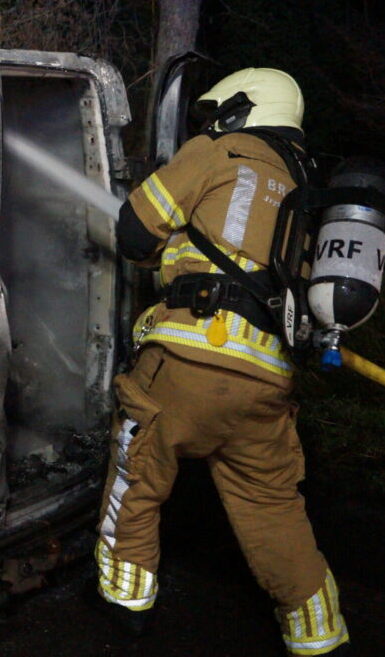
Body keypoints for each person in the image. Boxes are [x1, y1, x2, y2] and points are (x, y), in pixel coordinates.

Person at [93, 67, 351, 655]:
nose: (212, 121)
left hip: (188, 362)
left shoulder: (216, 150)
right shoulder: (306, 189)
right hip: (268, 381)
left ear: (243, 109)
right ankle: (319, 632)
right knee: (272, 508)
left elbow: (135, 231)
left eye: (220, 111)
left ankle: (126, 601)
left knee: (138, 476)